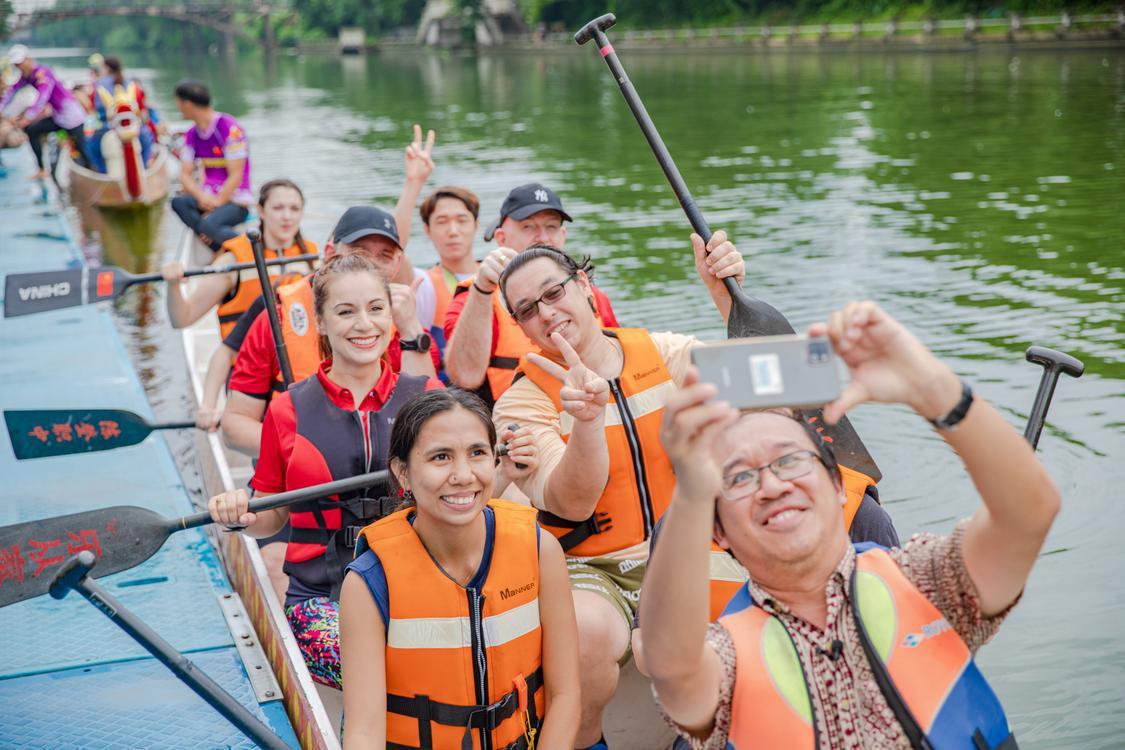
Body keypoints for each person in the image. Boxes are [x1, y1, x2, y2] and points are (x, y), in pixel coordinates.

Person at [642, 300, 1060, 749]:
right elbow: (672, 667)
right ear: (718, 533)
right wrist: (690, 489)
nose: (772, 485)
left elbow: (1029, 513)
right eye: (740, 476)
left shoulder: (925, 581)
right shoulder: (725, 658)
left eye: (790, 460)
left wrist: (932, 388)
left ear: (839, 485)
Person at [491, 239, 746, 749]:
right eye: (527, 310)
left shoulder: (664, 354)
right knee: (582, 637)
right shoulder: (519, 405)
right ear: (521, 327)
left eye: (554, 292)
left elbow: (777, 379)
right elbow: (571, 504)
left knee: (749, 628)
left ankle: (707, 738)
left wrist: (728, 301)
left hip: (688, 549)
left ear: (585, 286)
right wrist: (586, 421)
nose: (547, 313)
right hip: (589, 567)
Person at [207, 253, 444, 690]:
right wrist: (242, 511)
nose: (364, 324)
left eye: (376, 309)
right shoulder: (287, 410)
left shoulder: (426, 397)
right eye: (346, 311)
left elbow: (466, 492)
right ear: (320, 321)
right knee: (377, 666)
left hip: (421, 585)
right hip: (322, 598)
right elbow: (272, 517)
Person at [340, 389, 581, 749]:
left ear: (495, 461)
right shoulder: (370, 582)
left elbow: (565, 694)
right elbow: (363, 732)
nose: (463, 475)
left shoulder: (540, 549)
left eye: (478, 453)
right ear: (402, 473)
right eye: (441, 457)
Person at [221, 205, 440, 457]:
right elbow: (235, 425)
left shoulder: (408, 325)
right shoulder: (278, 319)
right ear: (329, 253)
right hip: (301, 473)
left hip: (388, 474)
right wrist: (311, 451)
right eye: (358, 253)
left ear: (397, 264)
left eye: (384, 256)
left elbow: (431, 419)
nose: (369, 265)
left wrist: (410, 330)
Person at [443, 182, 619, 406]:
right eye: (528, 227)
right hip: (522, 424)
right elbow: (464, 377)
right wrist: (482, 290)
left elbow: (619, 357)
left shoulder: (592, 294)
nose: (543, 238)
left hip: (599, 411)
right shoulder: (475, 298)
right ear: (502, 238)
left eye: (551, 227)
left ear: (563, 235)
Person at [162, 178, 316, 430]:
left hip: (299, 372)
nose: (287, 216)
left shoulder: (312, 259)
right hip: (247, 374)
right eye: (278, 208)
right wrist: (173, 285)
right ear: (261, 211)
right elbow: (183, 318)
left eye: (294, 209)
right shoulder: (235, 260)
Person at [171, 80, 252, 253]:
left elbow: (236, 176)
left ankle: (250, 248)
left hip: (233, 200)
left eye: (178, 103)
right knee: (178, 202)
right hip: (208, 197)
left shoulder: (229, 128)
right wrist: (201, 197)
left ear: (187, 103)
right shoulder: (192, 134)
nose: (178, 108)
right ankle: (222, 247)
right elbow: (185, 174)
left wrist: (217, 203)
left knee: (209, 224)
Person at [413, 185, 482, 365]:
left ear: (476, 225)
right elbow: (396, 248)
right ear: (427, 230)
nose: (453, 231)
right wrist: (414, 183)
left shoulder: (499, 276)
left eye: (462, 220)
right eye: (442, 221)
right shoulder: (424, 284)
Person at [0, 45, 88, 180]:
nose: (19, 67)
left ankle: (91, 172)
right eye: (16, 65)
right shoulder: (27, 77)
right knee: (32, 130)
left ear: (28, 59)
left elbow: (43, 97)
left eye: (20, 63)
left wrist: (28, 117)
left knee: (82, 148)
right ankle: (42, 169)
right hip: (58, 116)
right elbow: (11, 92)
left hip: (71, 115)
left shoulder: (43, 73)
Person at [86, 56, 163, 172]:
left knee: (90, 145)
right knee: (147, 138)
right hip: (134, 126)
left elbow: (93, 108)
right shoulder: (131, 83)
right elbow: (141, 107)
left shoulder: (98, 84)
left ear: (106, 68)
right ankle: (144, 167)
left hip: (108, 127)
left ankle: (102, 171)